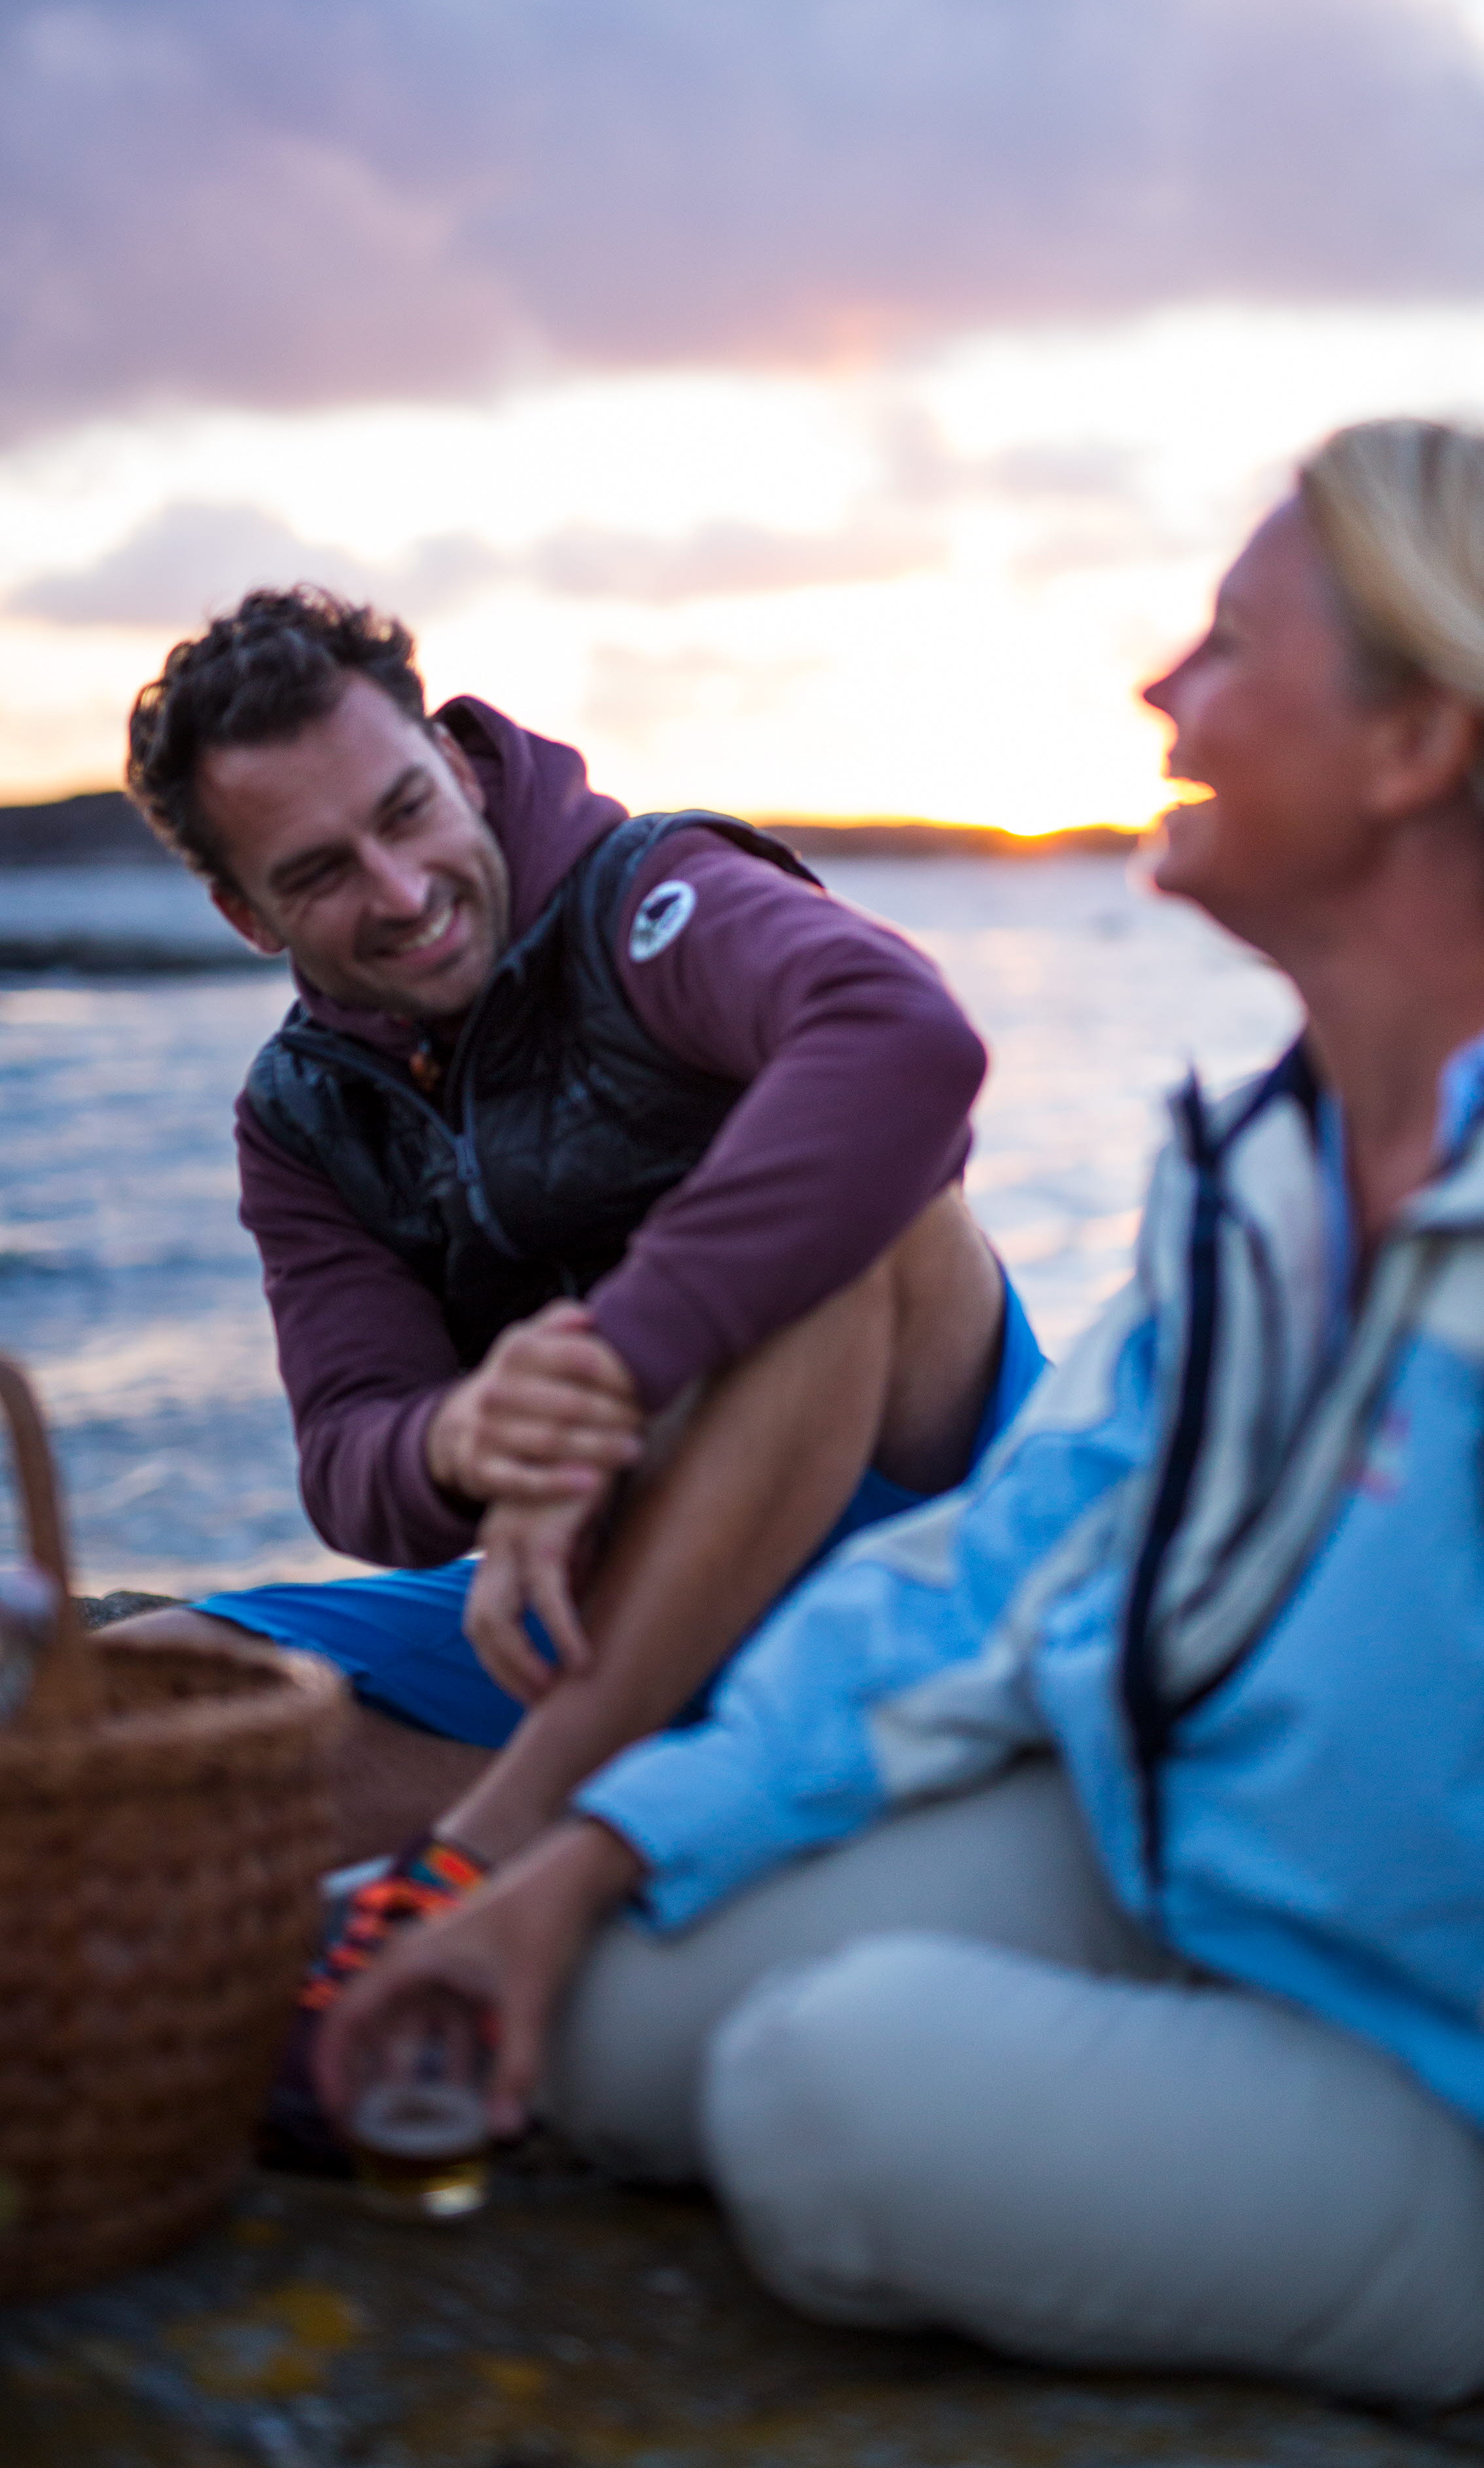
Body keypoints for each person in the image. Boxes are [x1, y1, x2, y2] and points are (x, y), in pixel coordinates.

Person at [321, 420, 1484, 2412]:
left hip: (1428, 2055)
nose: (1156, 692)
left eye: (1224, 644)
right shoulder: (1263, 1177)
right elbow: (994, 1576)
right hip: (1182, 1865)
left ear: (1407, 748)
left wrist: (600, 1378)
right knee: (575, 2011)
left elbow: (892, 1036)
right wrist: (587, 1850)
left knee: (814, 2099)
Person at [116, 592, 1044, 1941]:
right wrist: (465, 1439)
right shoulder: (306, 1111)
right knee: (126, 1697)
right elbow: (355, 1458)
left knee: (881, 1210)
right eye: (317, 872)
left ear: (453, 757)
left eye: (407, 809)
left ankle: (504, 1841)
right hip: (604, 1591)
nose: (402, 892)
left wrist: (601, 1379)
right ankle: (654, 1831)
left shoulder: (651, 900)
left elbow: (904, 1037)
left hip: (930, 1525)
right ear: (244, 911)